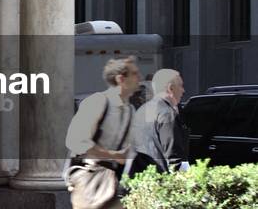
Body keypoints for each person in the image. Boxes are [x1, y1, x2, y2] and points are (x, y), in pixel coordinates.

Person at [65, 56, 142, 209]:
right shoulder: (97, 102)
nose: (139, 77)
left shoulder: (130, 110)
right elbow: (76, 141)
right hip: (90, 180)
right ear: (120, 79)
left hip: (114, 182)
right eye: (134, 74)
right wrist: (114, 156)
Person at [129, 68, 189, 175]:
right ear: (170, 88)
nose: (183, 90)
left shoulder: (142, 110)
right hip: (161, 180)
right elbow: (174, 158)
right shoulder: (167, 113)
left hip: (140, 179)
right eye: (180, 86)